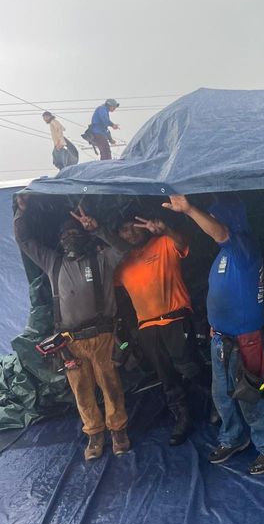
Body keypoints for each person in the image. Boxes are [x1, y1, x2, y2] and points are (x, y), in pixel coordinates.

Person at [163, 194, 264, 475]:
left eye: (216, 218)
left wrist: (189, 209)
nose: (213, 223)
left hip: (247, 340)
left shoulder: (243, 246)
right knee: (223, 395)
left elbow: (220, 232)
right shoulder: (225, 254)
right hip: (221, 338)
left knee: (253, 396)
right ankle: (234, 438)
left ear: (230, 220)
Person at [14, 197, 130, 460]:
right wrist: (21, 213)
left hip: (103, 337)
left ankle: (118, 431)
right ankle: (94, 435)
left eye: (75, 233)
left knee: (111, 385)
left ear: (85, 237)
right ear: (59, 240)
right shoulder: (52, 262)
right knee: (82, 390)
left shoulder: (102, 260)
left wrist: (97, 228)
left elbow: (123, 248)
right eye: (65, 234)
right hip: (70, 343)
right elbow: (24, 241)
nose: (70, 238)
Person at [114, 213, 198, 446]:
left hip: (176, 318)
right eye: (123, 230)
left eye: (133, 225)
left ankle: (216, 407)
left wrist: (166, 229)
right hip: (147, 327)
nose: (129, 232)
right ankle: (182, 418)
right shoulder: (122, 262)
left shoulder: (163, 243)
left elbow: (182, 243)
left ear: (144, 226)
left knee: (191, 368)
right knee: (166, 376)